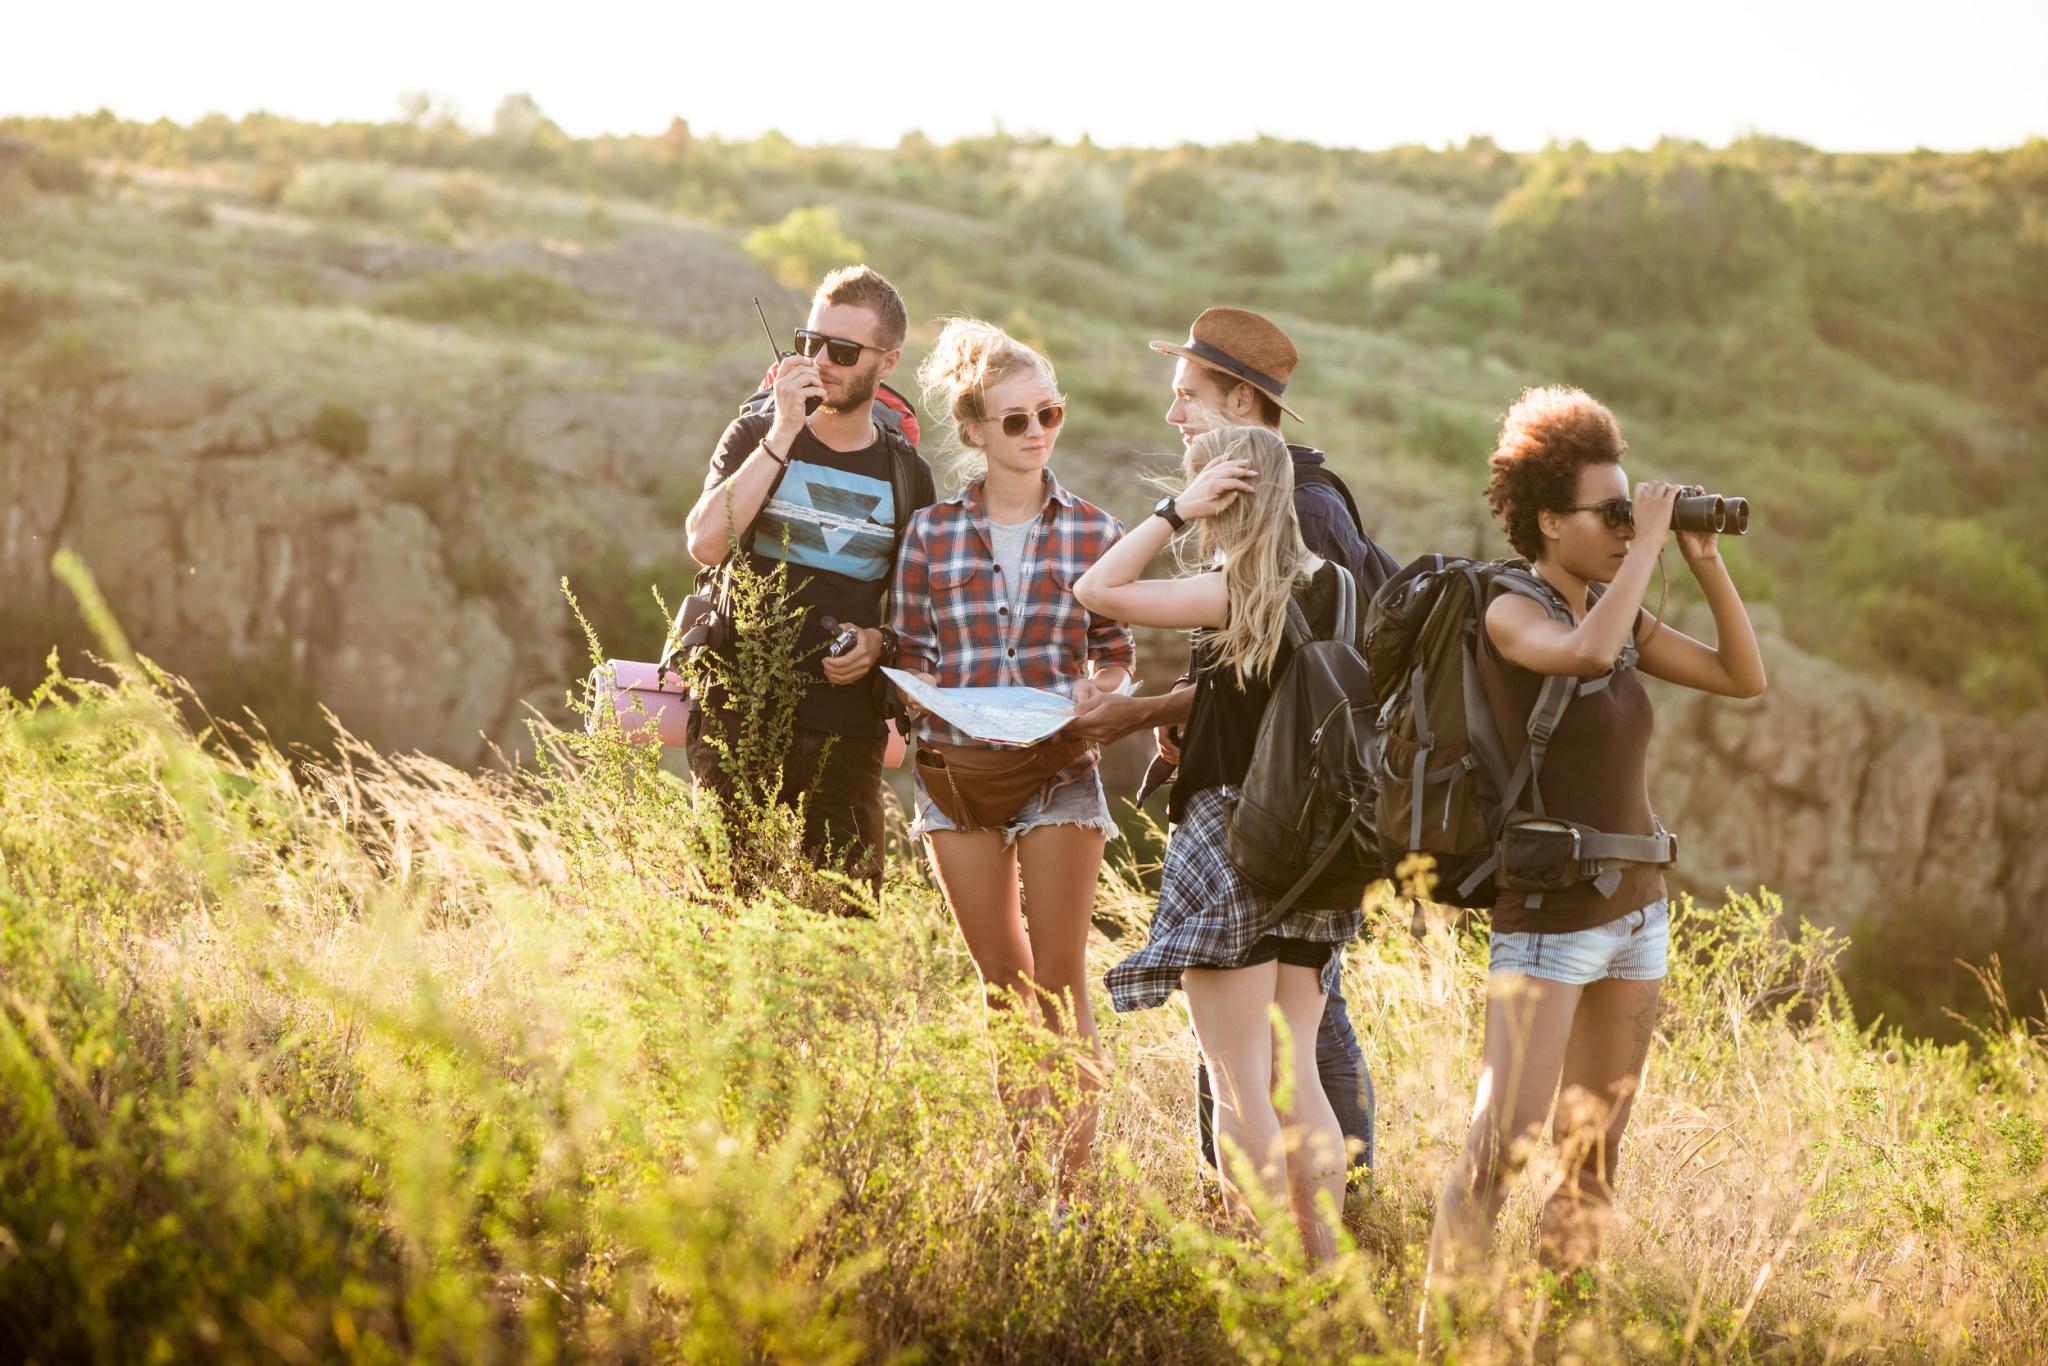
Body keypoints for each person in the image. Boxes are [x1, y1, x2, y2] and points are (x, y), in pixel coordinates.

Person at [1425, 386, 1766, 1285]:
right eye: (1609, 513)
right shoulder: (1509, 608)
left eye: (1631, 508)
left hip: (1637, 915)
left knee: (1593, 1165)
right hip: (1549, 919)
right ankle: (1441, 1333)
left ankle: (1550, 1337)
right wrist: (1645, 546)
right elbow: (1575, 658)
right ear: (1546, 519)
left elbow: (1742, 677)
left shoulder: (1613, 614)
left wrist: (1697, 558)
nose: (1625, 526)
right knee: (1501, 1150)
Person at [1067, 306, 1391, 1178]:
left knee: (1254, 1077)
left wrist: (1175, 511)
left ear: (1241, 405)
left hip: (1247, 820)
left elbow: (1100, 591)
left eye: (1188, 398)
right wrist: (1186, 706)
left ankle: (1283, 1257)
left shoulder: (1298, 526)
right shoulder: (1324, 546)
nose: (1174, 418)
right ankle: (1325, 1263)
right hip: (1309, 826)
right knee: (1291, 1070)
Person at [889, 319, 1136, 1193]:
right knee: (1002, 983)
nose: (1036, 434)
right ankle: (1026, 1179)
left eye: (1049, 414)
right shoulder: (929, 535)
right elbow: (913, 651)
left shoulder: (1097, 529)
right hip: (956, 775)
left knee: (1062, 978)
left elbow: (1113, 647)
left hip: (1060, 768)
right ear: (975, 432)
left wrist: (1099, 687)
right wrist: (911, 707)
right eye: (1016, 421)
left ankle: (1071, 1190)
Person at [682, 265, 936, 890]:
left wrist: (879, 644)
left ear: (887, 362)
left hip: (847, 728)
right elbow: (705, 544)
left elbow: (919, 614)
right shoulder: (755, 434)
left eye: (842, 350)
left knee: (842, 927)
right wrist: (783, 432)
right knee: (722, 920)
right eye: (809, 342)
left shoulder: (908, 474)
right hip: (735, 709)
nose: (820, 360)